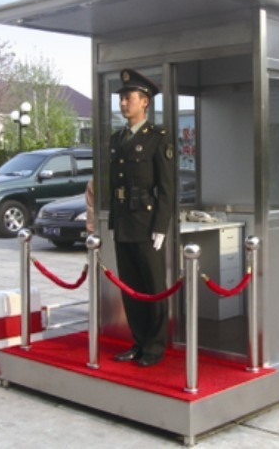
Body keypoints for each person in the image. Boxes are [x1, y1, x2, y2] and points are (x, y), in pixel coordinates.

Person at [108, 69, 175, 367]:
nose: (123, 103)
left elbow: (167, 189)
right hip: (124, 224)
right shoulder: (117, 139)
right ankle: (138, 342)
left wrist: (160, 226)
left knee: (153, 287)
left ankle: (155, 347)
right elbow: (115, 186)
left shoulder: (157, 138)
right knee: (131, 289)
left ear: (145, 101)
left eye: (129, 98)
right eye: (121, 98)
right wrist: (113, 222)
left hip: (147, 226)